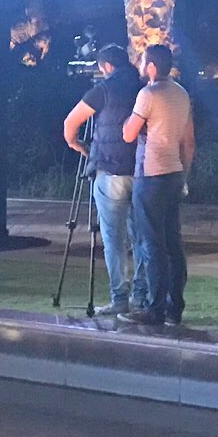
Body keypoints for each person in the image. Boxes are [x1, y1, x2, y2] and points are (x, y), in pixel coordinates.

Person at [63, 45, 147, 319]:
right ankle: (141, 297)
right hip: (141, 171)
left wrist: (79, 146)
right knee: (141, 238)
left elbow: (70, 123)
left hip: (109, 171)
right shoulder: (144, 88)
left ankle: (119, 299)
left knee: (114, 240)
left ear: (106, 66)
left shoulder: (103, 90)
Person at [126, 44, 195, 326]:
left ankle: (154, 308)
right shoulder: (182, 94)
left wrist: (133, 121)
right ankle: (174, 308)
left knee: (151, 244)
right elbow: (189, 142)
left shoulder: (148, 94)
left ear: (152, 66)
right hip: (174, 173)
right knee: (173, 244)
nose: (140, 66)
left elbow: (128, 134)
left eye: (143, 62)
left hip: (151, 174)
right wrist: (184, 175)